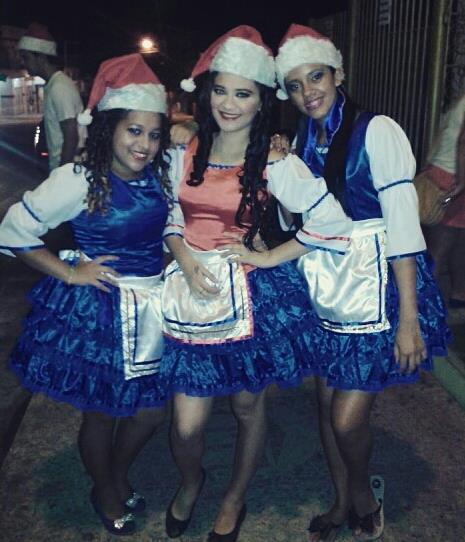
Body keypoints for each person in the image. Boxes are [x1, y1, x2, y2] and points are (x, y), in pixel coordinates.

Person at [224, 23, 450, 542]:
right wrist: (283, 165)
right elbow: (297, 218)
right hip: (323, 282)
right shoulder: (302, 139)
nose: (308, 92)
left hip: (375, 279)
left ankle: (363, 494)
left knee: (347, 418)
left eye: (317, 77)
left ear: (338, 74)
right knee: (327, 407)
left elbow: (402, 226)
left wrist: (408, 320)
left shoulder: (378, 130)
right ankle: (340, 500)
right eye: (296, 85)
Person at [159, 25, 352, 542]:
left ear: (262, 100)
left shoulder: (274, 158)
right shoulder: (184, 147)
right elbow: (169, 214)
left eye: (243, 94)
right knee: (186, 425)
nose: (229, 103)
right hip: (188, 293)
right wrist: (183, 255)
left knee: (248, 406)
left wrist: (267, 258)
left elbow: (330, 222)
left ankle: (235, 497)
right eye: (221, 91)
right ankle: (191, 481)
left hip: (249, 297)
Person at [0, 53, 172, 535]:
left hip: (155, 306)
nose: (144, 144)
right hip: (102, 310)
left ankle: (113, 474)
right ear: (110, 127)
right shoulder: (80, 179)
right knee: (103, 412)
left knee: (149, 412)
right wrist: (69, 272)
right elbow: (12, 230)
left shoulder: (162, 171)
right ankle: (106, 487)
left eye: (153, 134)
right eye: (133, 131)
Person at [17, 22, 85, 171]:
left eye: (26, 57)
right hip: (65, 169)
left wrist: (61, 175)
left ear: (40, 57)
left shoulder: (59, 87)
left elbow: (71, 136)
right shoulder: (54, 84)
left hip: (69, 171)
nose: (23, 63)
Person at [422, 93, 465, 308]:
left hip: (445, 172)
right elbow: (463, 144)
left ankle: (459, 292)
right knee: (441, 245)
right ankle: (422, 303)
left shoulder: (460, 100)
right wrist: (462, 181)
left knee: (456, 240)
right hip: (454, 177)